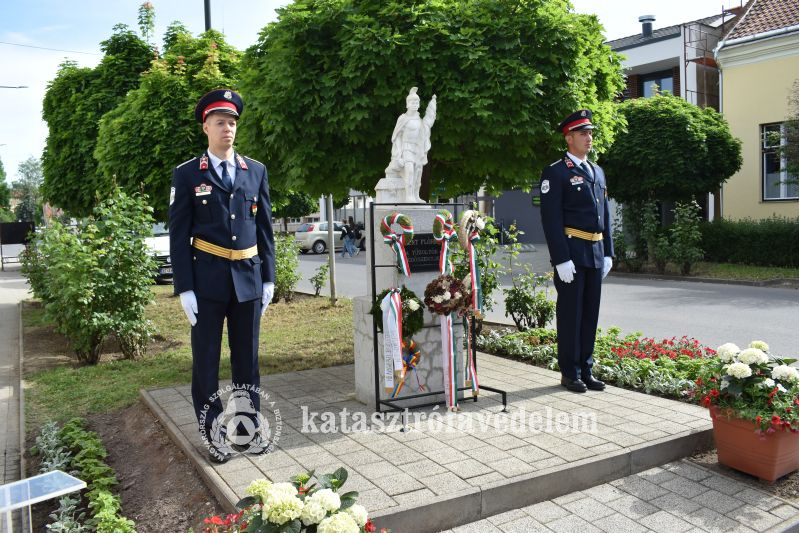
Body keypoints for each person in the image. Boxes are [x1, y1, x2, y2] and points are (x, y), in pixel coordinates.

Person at [169, 88, 275, 463]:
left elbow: (264, 229)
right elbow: (179, 235)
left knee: (247, 362)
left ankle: (247, 430)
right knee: (207, 364)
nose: (227, 128)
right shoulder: (186, 174)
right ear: (206, 128)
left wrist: (269, 280)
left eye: (232, 122)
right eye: (219, 122)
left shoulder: (255, 171)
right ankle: (215, 434)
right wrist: (184, 288)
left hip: (247, 279)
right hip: (207, 284)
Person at [539, 109, 613, 393]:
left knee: (590, 314)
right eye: (583, 133)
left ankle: (586, 368)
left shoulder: (597, 171)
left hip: (594, 251)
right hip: (571, 252)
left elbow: (604, 214)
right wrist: (560, 259)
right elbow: (551, 218)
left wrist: (608, 252)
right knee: (571, 314)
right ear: (568, 138)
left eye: (590, 132)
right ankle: (570, 373)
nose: (589, 137)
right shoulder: (556, 172)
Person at [384, 87, 437, 203]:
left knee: (418, 172)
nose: (415, 104)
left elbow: (428, 123)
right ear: (407, 104)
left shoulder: (419, 120)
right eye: (412, 102)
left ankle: (416, 195)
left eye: (417, 102)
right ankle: (409, 196)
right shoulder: (403, 118)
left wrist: (432, 105)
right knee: (410, 171)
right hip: (406, 148)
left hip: (417, 149)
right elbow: (397, 137)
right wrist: (398, 155)